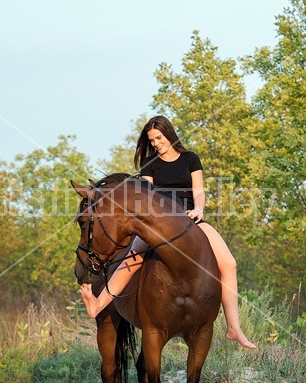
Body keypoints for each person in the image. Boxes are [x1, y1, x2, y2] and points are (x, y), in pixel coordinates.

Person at [80, 115, 256, 349]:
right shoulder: (149, 164)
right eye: (152, 140)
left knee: (229, 264)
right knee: (130, 260)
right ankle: (98, 304)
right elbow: (147, 198)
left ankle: (234, 328)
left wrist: (199, 209)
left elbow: (199, 192)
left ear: (169, 134)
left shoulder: (190, 159)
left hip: (191, 220)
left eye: (159, 138)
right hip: (158, 225)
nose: (156, 143)